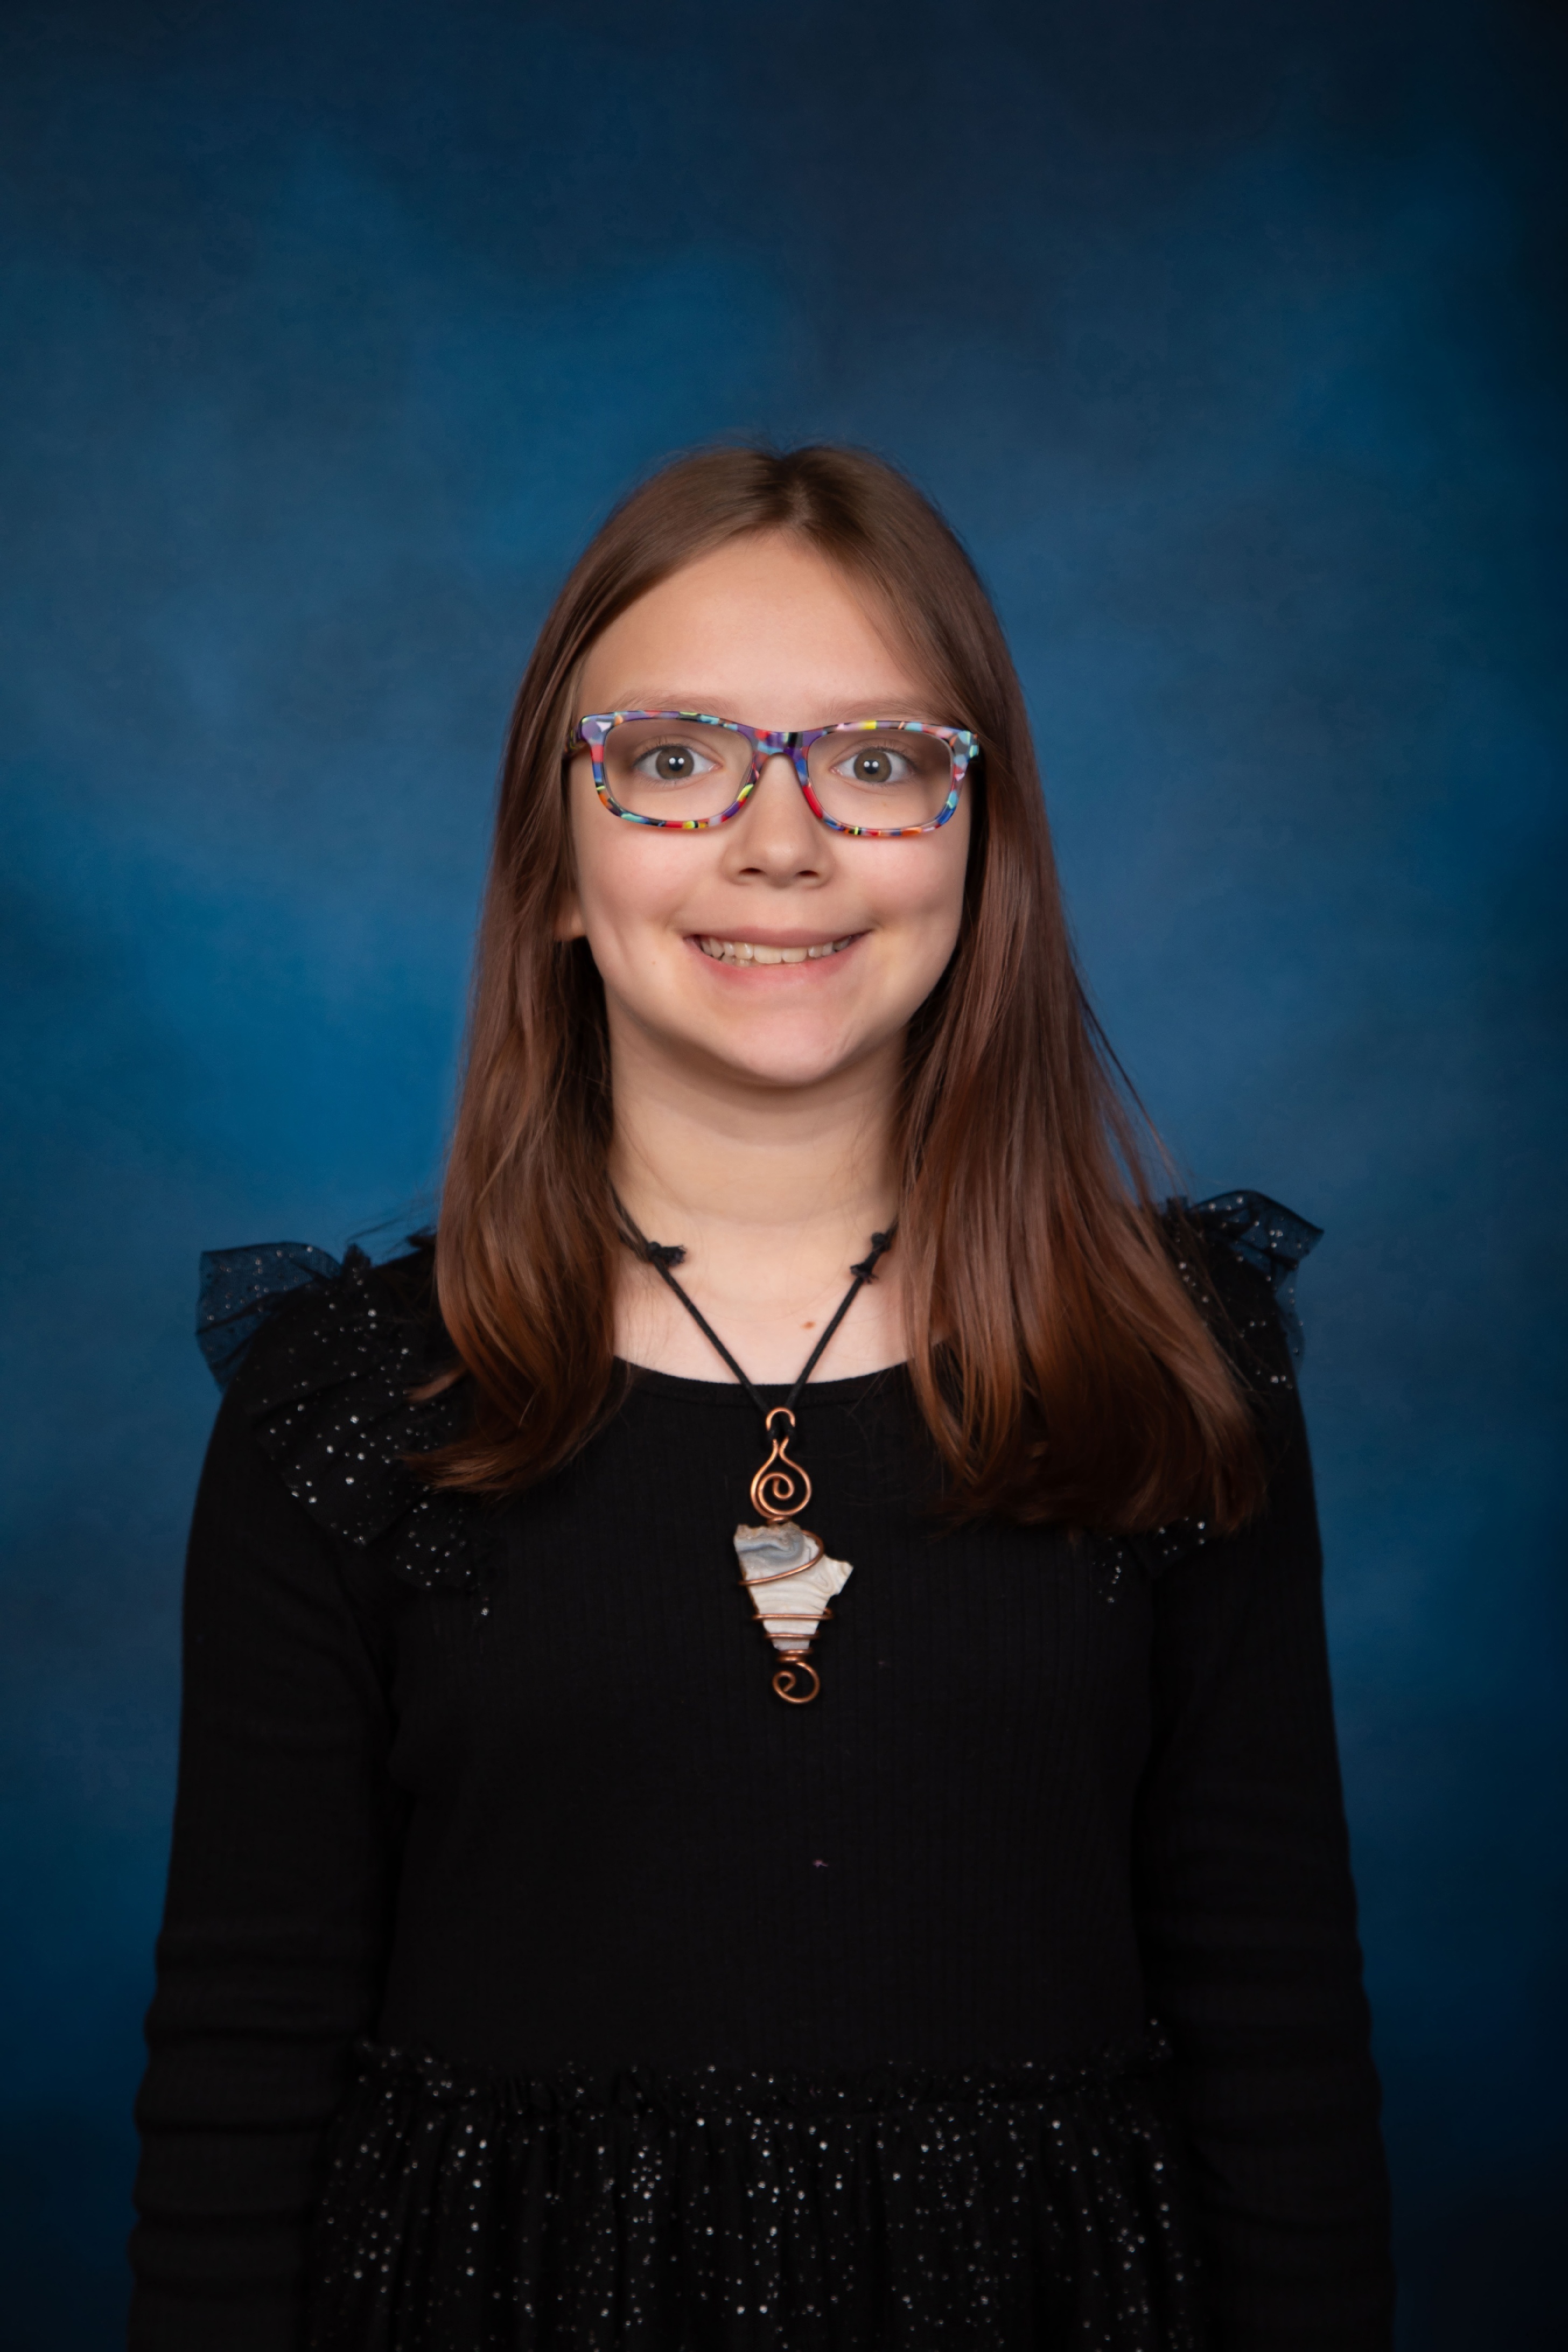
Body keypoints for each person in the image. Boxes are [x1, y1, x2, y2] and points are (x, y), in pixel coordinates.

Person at [129, 445, 1393, 2351]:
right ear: (554, 867)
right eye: (674, 757)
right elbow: (242, 2065)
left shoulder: (1166, 1361)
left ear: (983, 847)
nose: (779, 843)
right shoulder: (356, 1406)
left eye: (877, 760)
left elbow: (1274, 2021)